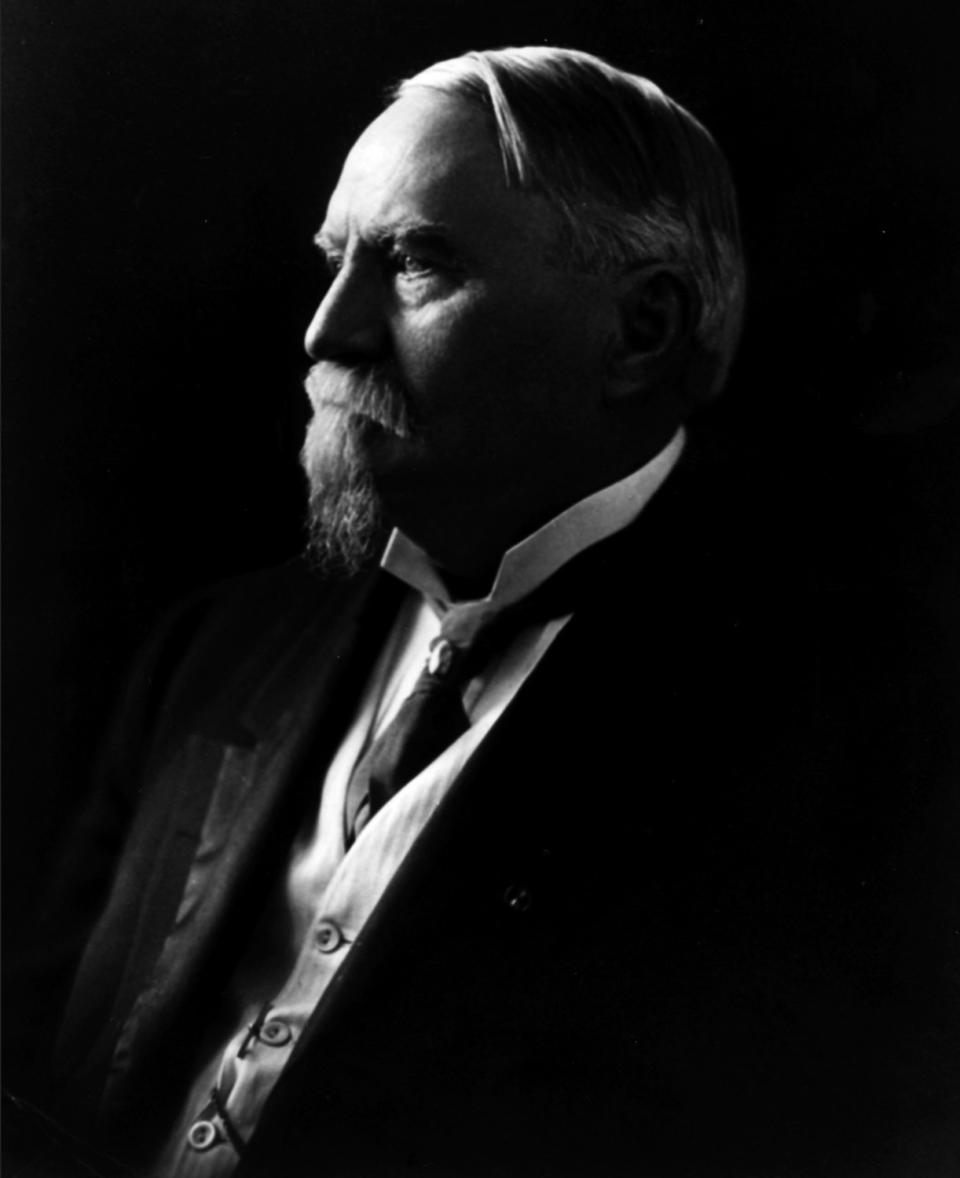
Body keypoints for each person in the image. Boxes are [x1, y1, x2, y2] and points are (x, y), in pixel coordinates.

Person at [16, 46, 958, 1178]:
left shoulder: (862, 753)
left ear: (642, 330)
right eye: (333, 261)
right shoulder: (212, 654)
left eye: (413, 262)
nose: (327, 331)